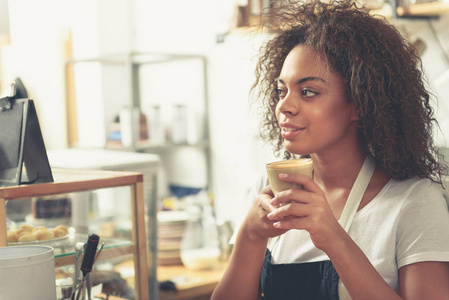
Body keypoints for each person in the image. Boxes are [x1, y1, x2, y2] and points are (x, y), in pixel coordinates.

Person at [211, 0, 449, 299]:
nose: (284, 106)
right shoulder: (271, 190)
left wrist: (333, 237)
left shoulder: (414, 202)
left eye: (308, 92)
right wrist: (250, 236)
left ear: (360, 103)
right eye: (281, 91)